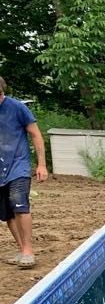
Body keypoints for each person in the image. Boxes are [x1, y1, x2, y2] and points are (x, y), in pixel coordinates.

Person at [0, 76, 47, 269]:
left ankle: (29, 251)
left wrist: (41, 164)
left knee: (19, 204)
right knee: (8, 214)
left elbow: (36, 134)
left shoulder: (17, 108)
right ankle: (22, 250)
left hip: (18, 166)